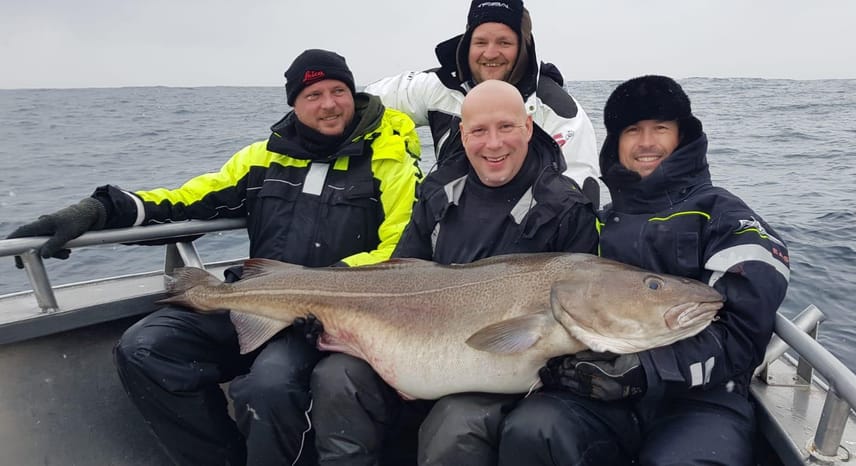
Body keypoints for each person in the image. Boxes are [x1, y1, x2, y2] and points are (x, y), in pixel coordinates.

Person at [7, 49, 422, 466]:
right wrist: (98, 210)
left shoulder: (390, 158)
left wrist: (317, 289)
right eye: (313, 94)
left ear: (353, 93)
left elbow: (400, 247)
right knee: (146, 347)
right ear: (294, 103)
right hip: (253, 298)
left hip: (330, 318)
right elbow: (186, 201)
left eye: (338, 90)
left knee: (270, 387)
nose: (329, 104)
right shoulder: (261, 158)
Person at [498, 75, 792, 465]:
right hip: (600, 401)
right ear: (615, 142)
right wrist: (566, 372)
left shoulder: (723, 215)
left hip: (700, 402)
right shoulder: (592, 223)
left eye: (660, 129)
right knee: (533, 429)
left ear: (681, 136)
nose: (646, 142)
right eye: (632, 130)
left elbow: (744, 329)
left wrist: (645, 371)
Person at [309, 79, 599, 466]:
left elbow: (579, 312)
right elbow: (398, 274)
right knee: (337, 376)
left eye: (506, 127)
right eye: (479, 131)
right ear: (462, 135)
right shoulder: (438, 191)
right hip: (417, 346)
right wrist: (338, 320)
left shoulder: (566, 208)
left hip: (503, 374)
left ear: (528, 127)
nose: (493, 144)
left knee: (455, 423)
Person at [365, 0, 601, 191]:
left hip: (525, 235)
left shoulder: (557, 110)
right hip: (443, 222)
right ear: (467, 43)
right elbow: (360, 104)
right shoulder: (438, 87)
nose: (490, 53)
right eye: (480, 41)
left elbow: (579, 193)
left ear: (523, 47)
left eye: (504, 42)